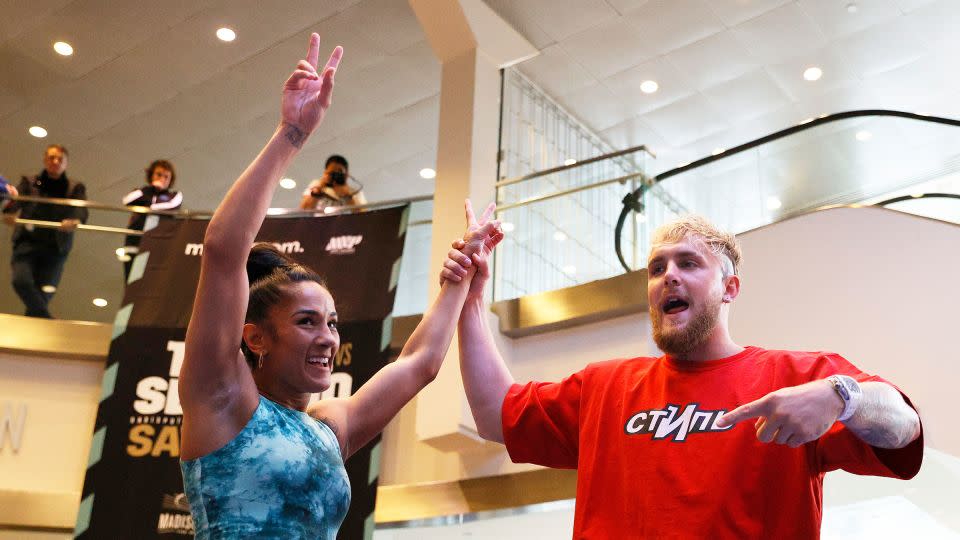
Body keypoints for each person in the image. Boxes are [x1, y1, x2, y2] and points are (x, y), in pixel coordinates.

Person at [177, 33, 502, 539]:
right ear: (256, 337)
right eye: (306, 322)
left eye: (331, 321)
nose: (328, 336)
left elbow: (421, 364)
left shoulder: (328, 429)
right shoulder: (222, 398)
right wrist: (291, 133)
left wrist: (459, 275)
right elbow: (223, 250)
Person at [440, 214, 923, 539]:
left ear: (729, 288)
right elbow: (493, 414)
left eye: (688, 263)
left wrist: (843, 397)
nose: (668, 276)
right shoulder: (604, 387)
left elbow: (905, 426)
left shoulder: (796, 377)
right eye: (656, 268)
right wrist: (472, 298)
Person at [1, 145, 88, 318]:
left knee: (44, 293)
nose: (55, 162)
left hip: (56, 247)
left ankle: (35, 327)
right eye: (51, 158)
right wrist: (10, 212)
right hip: (27, 242)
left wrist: (75, 220)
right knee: (21, 281)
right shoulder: (29, 181)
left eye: (59, 159)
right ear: (45, 160)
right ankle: (46, 320)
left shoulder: (75, 187)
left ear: (66, 163)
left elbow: (81, 209)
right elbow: (17, 200)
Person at [120, 159, 183, 278]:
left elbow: (171, 206)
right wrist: (148, 190)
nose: (162, 179)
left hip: (158, 244)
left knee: (150, 280)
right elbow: (126, 200)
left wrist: (148, 206)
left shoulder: (174, 195)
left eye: (166, 177)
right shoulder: (143, 191)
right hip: (135, 242)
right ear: (151, 175)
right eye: (159, 174)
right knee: (131, 279)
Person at [298, 154, 367, 210]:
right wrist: (319, 189)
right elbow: (303, 209)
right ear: (325, 172)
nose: (335, 176)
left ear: (346, 174)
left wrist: (347, 196)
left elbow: (362, 216)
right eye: (332, 173)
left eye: (339, 173)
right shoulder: (316, 185)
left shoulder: (355, 192)